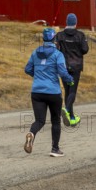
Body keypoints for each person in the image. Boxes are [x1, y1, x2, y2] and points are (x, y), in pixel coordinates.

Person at [24, 27, 74, 157]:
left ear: (43, 39)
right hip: (53, 92)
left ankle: (32, 133)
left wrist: (39, 76)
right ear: (54, 39)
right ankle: (55, 149)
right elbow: (62, 72)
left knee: (39, 121)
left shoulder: (35, 53)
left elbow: (28, 69)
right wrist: (70, 80)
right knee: (56, 120)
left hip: (37, 92)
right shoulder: (58, 54)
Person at [55, 13, 89, 127]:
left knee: (67, 91)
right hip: (76, 67)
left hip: (63, 66)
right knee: (73, 91)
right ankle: (67, 110)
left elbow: (55, 49)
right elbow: (85, 50)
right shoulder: (80, 35)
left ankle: (71, 117)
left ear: (66, 22)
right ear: (75, 23)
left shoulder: (59, 35)